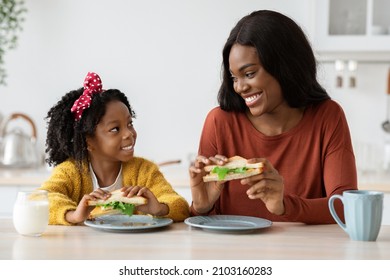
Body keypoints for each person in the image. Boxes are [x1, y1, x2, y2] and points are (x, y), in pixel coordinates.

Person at [189, 10, 357, 224]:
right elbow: (203, 227)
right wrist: (201, 207)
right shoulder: (219, 122)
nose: (240, 87)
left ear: (285, 66)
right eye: (234, 77)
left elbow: (346, 206)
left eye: (249, 74)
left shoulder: (327, 116)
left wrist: (285, 205)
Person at [40, 72, 189, 225]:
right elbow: (41, 199)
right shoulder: (71, 172)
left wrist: (158, 208)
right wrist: (74, 215)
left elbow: (180, 206)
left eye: (129, 124)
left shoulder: (144, 171)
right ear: (88, 141)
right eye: (115, 129)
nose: (129, 134)